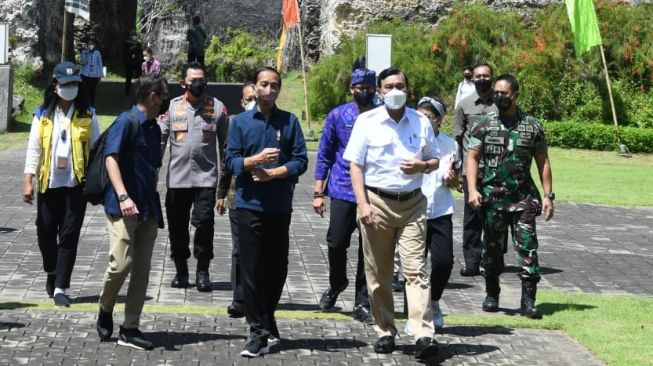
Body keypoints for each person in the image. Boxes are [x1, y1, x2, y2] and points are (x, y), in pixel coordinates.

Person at [343, 67, 440, 360]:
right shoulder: (367, 121)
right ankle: (385, 329)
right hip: (377, 203)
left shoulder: (421, 121)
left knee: (415, 270)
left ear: (408, 90)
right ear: (380, 90)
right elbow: (355, 166)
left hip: (412, 203)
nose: (395, 90)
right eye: (389, 86)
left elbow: (434, 159)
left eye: (400, 85)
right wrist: (363, 205)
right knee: (378, 273)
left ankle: (423, 333)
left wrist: (421, 166)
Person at [225, 66, 308, 358]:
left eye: (274, 86)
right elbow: (231, 161)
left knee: (277, 267)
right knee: (251, 269)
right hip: (249, 205)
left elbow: (301, 161)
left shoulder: (290, 122)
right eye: (264, 84)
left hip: (278, 205)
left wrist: (276, 173)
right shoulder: (241, 123)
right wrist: (254, 161)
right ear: (255, 88)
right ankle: (257, 332)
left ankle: (266, 315)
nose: (269, 90)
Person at [467, 74, 554, 320]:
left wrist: (548, 195)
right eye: (495, 92)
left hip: (524, 199)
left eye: (503, 93)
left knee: (528, 249)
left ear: (515, 95)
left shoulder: (532, 126)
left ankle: (528, 302)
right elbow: (472, 157)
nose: (497, 96)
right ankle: (492, 295)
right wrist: (473, 189)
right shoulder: (484, 124)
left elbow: (543, 161)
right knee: (492, 250)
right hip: (492, 199)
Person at [96, 75, 169, 350]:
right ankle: (105, 306)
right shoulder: (126, 122)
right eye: (162, 97)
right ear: (152, 97)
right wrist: (123, 195)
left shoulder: (153, 128)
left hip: (148, 208)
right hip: (123, 208)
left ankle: (130, 327)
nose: (163, 103)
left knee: (142, 271)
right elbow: (110, 158)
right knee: (120, 265)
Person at [22, 61, 100, 308]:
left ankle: (60, 287)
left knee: (69, 236)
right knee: (45, 232)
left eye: (74, 84)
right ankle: (51, 270)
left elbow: (96, 149)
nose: (70, 88)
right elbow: (33, 149)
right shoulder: (42, 114)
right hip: (48, 183)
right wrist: (28, 180)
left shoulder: (88, 114)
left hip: (75, 185)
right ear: (55, 85)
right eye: (65, 84)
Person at [313, 68, 376, 324]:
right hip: (341, 188)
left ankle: (362, 301)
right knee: (336, 241)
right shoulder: (338, 115)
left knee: (368, 249)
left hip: (373, 191)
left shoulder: (381, 116)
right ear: (351, 88)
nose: (365, 92)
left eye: (369, 88)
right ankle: (337, 283)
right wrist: (318, 192)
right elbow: (325, 154)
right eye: (360, 87)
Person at [159, 61, 228, 292]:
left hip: (205, 180)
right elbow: (160, 141)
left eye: (201, 79)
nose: (198, 84)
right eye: (193, 80)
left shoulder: (218, 108)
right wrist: (151, 173)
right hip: (177, 180)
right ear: (183, 84)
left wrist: (223, 187)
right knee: (177, 227)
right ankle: (181, 271)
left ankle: (203, 271)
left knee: (204, 225)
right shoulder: (171, 108)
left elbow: (225, 147)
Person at [417, 96, 459, 329]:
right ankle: (416, 316)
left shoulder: (450, 145)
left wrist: (453, 181)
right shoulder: (408, 140)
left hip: (441, 210)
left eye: (430, 116)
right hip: (413, 210)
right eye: (422, 115)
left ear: (439, 121)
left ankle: (434, 302)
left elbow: (456, 181)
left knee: (444, 262)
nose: (426, 120)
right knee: (415, 266)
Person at [453, 62, 499, 277]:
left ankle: (492, 258)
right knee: (472, 218)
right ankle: (472, 261)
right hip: (472, 171)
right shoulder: (464, 105)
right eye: (478, 76)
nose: (482, 79)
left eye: (486, 76)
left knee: (496, 217)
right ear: (472, 79)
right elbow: (458, 139)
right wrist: (460, 171)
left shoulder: (500, 103)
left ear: (492, 77)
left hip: (497, 171)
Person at [216, 82, 258, 318]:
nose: (252, 101)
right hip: (237, 194)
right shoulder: (235, 123)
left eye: (255, 96)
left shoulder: (274, 123)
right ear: (242, 102)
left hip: (266, 195)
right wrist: (221, 193)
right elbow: (227, 160)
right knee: (239, 248)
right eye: (248, 98)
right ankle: (239, 298)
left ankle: (259, 295)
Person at [79, 39, 103, 106]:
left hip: (95, 75)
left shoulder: (97, 53)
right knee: (85, 91)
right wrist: (86, 53)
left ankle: (92, 105)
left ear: (94, 45)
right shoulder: (84, 52)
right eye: (89, 44)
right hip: (85, 75)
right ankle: (85, 105)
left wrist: (100, 76)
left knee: (92, 91)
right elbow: (83, 63)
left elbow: (100, 64)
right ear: (87, 45)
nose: (90, 46)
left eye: (92, 44)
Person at [123, 31, 143, 95]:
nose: (134, 37)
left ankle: (140, 90)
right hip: (129, 62)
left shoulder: (138, 43)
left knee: (139, 76)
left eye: (135, 35)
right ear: (130, 36)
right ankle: (127, 91)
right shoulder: (127, 43)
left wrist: (137, 57)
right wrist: (130, 50)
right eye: (132, 35)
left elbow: (140, 53)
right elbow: (124, 52)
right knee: (128, 77)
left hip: (137, 62)